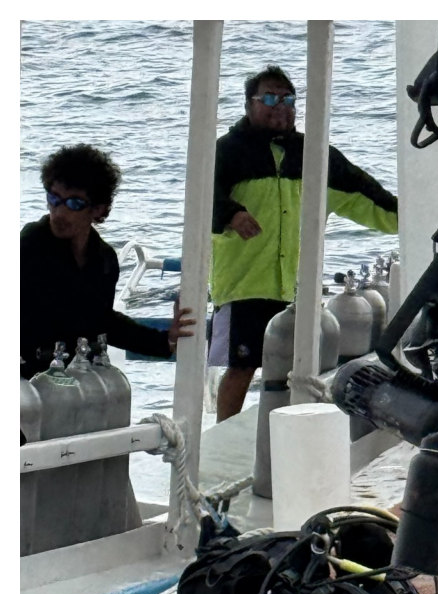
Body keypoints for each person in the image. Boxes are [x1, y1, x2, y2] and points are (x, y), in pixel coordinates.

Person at [211, 65, 399, 421]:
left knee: (298, 367)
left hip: (296, 288)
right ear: (249, 105)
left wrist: (414, 216)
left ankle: (287, 432)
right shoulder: (228, 150)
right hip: (243, 284)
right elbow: (203, 197)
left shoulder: (314, 154)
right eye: (269, 98)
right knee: (241, 367)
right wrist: (231, 214)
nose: (280, 106)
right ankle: (222, 434)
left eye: (288, 99)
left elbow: (368, 196)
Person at [21, 144, 194, 379]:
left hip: (68, 379)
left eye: (74, 203)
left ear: (98, 209)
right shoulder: (30, 245)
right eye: (54, 198)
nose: (59, 212)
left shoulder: (104, 259)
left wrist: (165, 340)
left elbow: (101, 320)